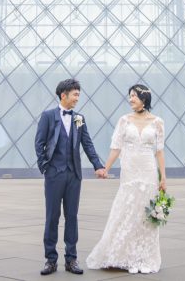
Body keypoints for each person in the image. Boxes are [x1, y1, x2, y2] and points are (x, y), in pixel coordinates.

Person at [85, 83, 166, 274]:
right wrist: (105, 168)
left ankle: (143, 257)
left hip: (148, 171)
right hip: (129, 171)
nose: (130, 99)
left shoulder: (157, 122)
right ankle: (123, 256)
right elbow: (116, 147)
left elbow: (159, 152)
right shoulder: (124, 120)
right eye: (130, 96)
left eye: (134, 96)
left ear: (144, 98)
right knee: (126, 210)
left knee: (145, 214)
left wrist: (163, 177)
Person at [34, 78, 107, 275]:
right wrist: (45, 167)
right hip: (54, 174)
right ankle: (50, 260)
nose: (77, 98)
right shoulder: (48, 116)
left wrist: (98, 165)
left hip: (74, 175)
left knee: (72, 217)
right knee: (52, 217)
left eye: (78, 95)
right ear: (63, 95)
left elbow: (87, 143)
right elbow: (39, 143)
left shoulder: (78, 118)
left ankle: (71, 259)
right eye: (75, 95)